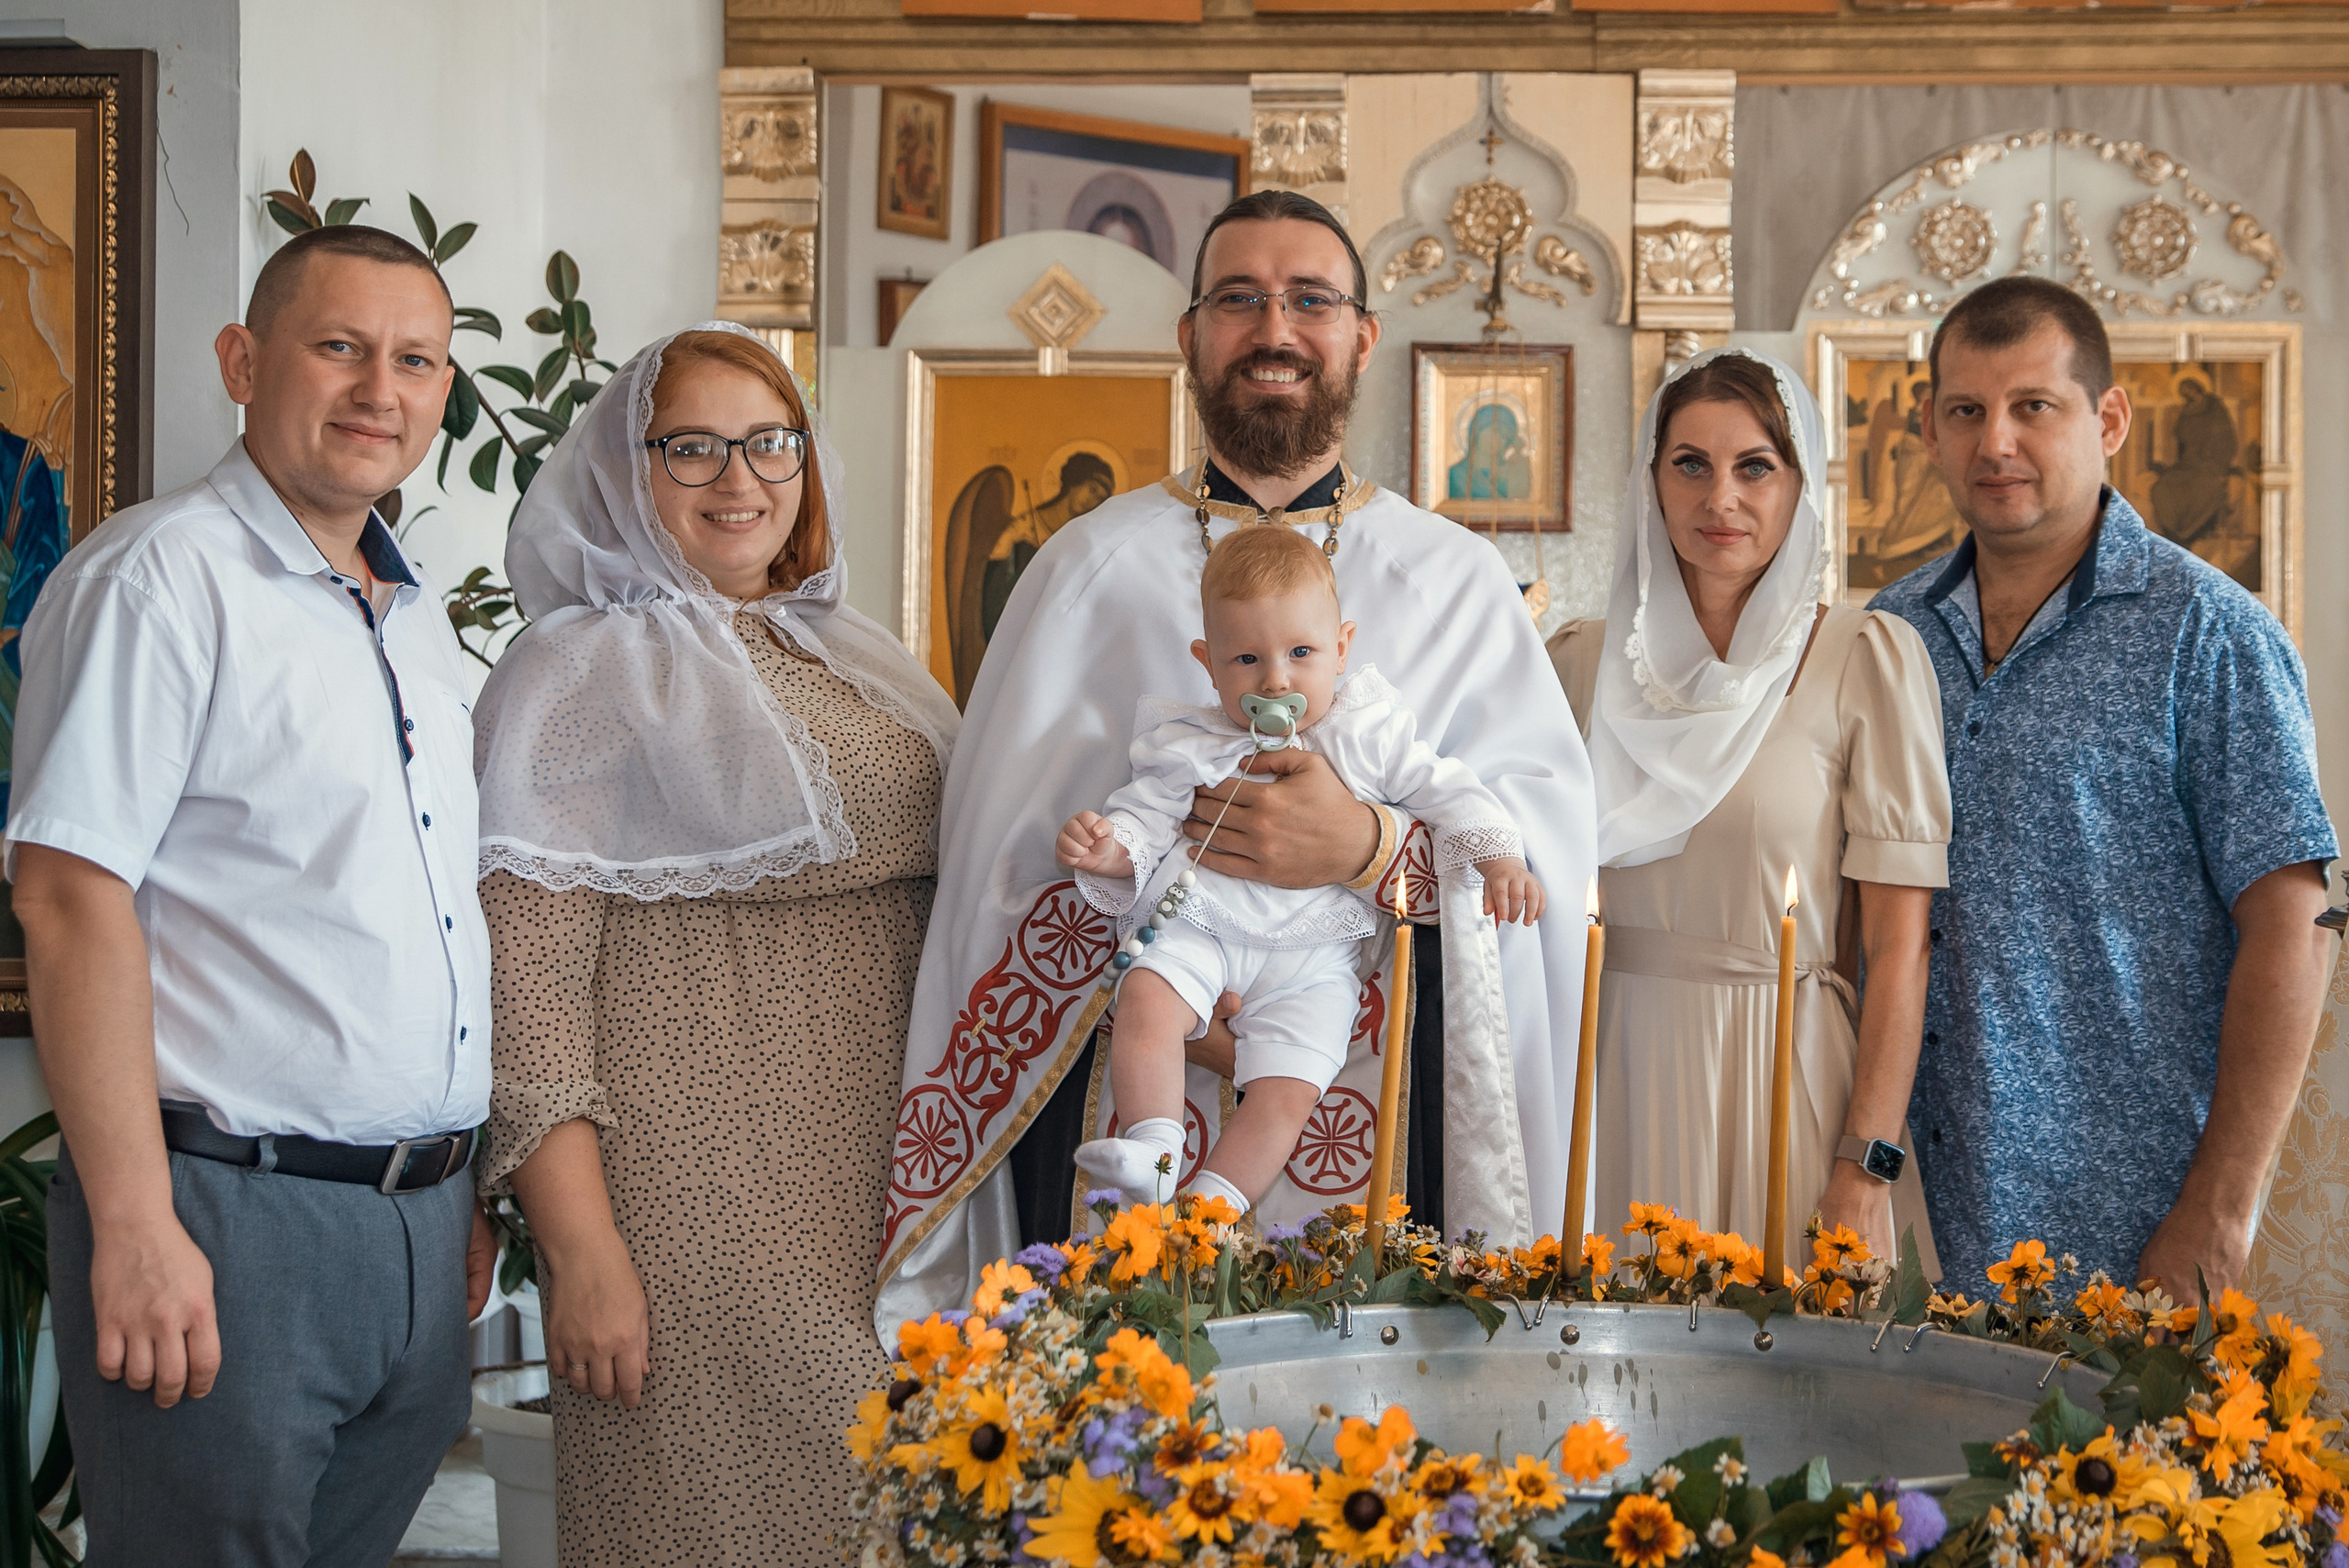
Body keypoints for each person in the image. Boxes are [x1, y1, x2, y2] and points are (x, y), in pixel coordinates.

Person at [878, 189, 1596, 1330]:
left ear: (1362, 336)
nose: (1275, 328)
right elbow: (993, 876)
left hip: (1371, 1093)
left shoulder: (1454, 578)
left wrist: (1371, 848)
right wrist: (1157, 940)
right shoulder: (1082, 569)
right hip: (1127, 1061)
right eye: (1239, 299)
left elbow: (1541, 858)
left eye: (1310, 299)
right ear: (1192, 336)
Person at [6, 223, 494, 1565]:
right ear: (243, 360)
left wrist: (461, 1190)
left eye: (414, 361)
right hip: (228, 1222)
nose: (377, 391)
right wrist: (138, 1221)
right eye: (337, 347)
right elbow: (66, 899)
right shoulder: (156, 580)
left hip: (419, 1228)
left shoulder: (414, 619)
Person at [473, 324, 957, 1565]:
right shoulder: (573, 671)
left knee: (904, 1517)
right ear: (624, 471)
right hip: (691, 1197)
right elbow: (530, 986)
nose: (737, 478)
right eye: (689, 447)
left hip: (887, 1178)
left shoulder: (855, 653)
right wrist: (582, 1253)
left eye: (767, 443)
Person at [1870, 277, 2335, 1297]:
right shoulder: (1886, 633)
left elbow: (2293, 924)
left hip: (2130, 1222)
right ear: (1929, 428)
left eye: (2033, 406)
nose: (1996, 441)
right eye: (1966, 410)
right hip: (1911, 1212)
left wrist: (2221, 1203)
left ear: (2108, 418)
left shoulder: (2210, 634)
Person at [1550, 349, 1951, 1268]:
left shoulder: (1864, 656)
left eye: (1753, 466)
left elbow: (1899, 944)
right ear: (1650, 478)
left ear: (1800, 483)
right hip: (1609, 1075)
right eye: (1689, 462)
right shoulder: (1574, 663)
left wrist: (1866, 1158)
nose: (1718, 497)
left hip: (1786, 1071)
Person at [1060, 526, 1543, 1210]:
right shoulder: (1189, 742)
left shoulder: (1367, 731)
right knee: (1146, 999)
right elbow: (1145, 815)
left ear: (1342, 647)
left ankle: (1215, 1209)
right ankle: (1153, 1149)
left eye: (1301, 653)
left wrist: (1500, 855)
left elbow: (1448, 787)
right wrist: (1109, 847)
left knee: (1289, 1092)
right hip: (1201, 924)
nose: (1276, 680)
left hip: (1314, 957)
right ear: (1208, 662)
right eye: (1248, 659)